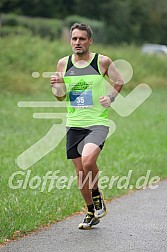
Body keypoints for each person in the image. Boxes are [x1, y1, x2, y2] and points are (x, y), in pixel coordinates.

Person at [50, 23, 123, 229]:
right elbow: (60, 96)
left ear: (90, 41)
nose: (77, 42)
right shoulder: (63, 64)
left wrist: (111, 98)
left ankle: (97, 193)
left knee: (88, 160)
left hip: (97, 122)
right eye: (74, 39)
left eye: (82, 39)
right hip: (74, 124)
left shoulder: (102, 61)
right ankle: (91, 211)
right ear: (70, 41)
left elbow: (119, 80)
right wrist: (56, 86)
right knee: (81, 174)